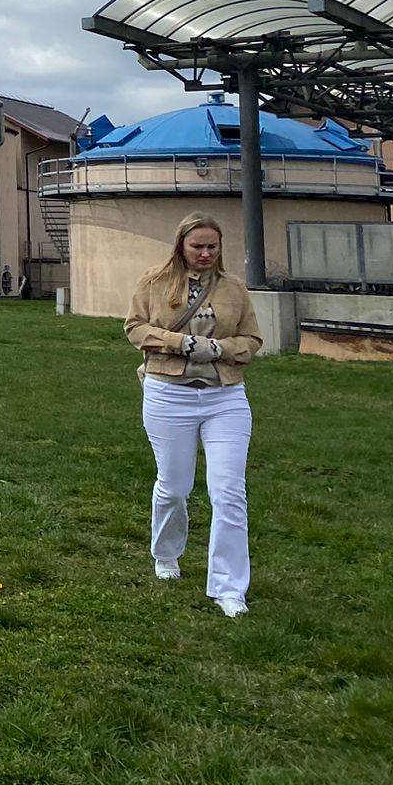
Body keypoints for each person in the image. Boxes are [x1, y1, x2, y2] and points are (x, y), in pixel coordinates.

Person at [124, 212, 261, 618]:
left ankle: (229, 588)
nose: (205, 253)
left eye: (212, 246)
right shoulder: (154, 281)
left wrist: (220, 349)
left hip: (225, 396)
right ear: (181, 245)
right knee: (174, 487)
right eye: (197, 246)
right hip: (169, 394)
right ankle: (166, 555)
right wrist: (178, 343)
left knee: (229, 492)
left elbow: (252, 338)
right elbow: (134, 328)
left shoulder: (234, 288)